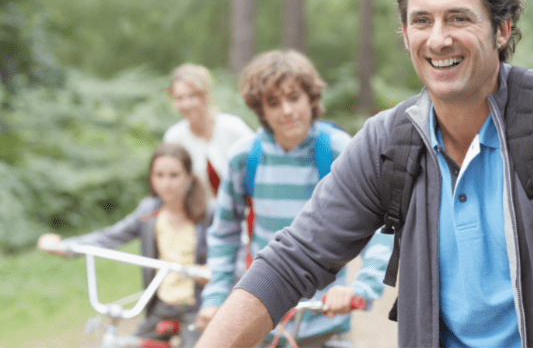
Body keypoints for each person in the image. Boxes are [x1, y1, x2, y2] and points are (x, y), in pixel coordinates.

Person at [194, 0, 533, 347]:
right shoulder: (388, 141)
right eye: (422, 20)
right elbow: (292, 260)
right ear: (406, 36)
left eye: (459, 17)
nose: (439, 39)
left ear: (502, 28)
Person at [194, 49, 392, 347]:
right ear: (260, 109)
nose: (286, 111)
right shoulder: (245, 157)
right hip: (262, 317)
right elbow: (224, 234)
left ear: (311, 99)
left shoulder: (338, 150)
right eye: (273, 103)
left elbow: (380, 227)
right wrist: (215, 298)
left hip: (325, 319)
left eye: (294, 98)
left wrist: (362, 286)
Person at [38, 143, 212, 348]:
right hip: (161, 304)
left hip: (197, 305)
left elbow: (230, 256)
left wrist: (210, 272)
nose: (166, 183)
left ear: (189, 177)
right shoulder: (149, 212)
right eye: (159, 175)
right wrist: (64, 247)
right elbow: (109, 237)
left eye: (174, 175)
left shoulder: (208, 215)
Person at [164, 63, 254, 197]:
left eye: (192, 96)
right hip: (199, 214)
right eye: (179, 98)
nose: (186, 104)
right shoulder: (174, 138)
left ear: (206, 96)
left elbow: (259, 163)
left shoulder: (233, 127)